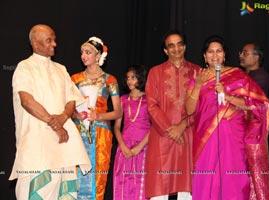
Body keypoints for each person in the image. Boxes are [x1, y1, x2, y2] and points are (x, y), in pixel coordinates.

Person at [186, 35, 269, 200]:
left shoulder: (238, 76)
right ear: (204, 56)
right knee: (207, 181)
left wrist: (228, 97)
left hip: (234, 137)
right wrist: (198, 85)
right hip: (207, 138)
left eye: (218, 51)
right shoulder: (197, 78)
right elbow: (189, 109)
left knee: (233, 180)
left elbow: (256, 106)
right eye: (210, 52)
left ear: (224, 54)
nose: (215, 55)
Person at [9, 24, 91, 200]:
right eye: (49, 40)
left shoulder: (61, 69)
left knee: (66, 192)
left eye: (54, 39)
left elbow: (71, 99)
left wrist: (62, 118)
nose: (54, 44)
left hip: (64, 142)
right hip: (37, 144)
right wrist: (54, 123)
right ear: (35, 43)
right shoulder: (25, 67)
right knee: (35, 191)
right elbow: (27, 101)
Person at [145, 30, 200, 200]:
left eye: (179, 44)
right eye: (171, 45)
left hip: (188, 134)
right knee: (159, 186)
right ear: (165, 51)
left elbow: (202, 106)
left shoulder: (197, 71)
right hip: (162, 135)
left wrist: (182, 126)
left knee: (187, 188)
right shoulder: (155, 72)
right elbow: (152, 105)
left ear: (185, 46)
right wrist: (170, 129)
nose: (176, 48)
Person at [71, 36, 122, 199]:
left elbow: (118, 112)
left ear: (98, 55)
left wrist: (98, 115)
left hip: (101, 134)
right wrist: (75, 114)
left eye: (88, 52)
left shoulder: (110, 80)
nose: (83, 56)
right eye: (82, 53)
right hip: (78, 132)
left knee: (98, 178)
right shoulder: (75, 79)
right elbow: (68, 108)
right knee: (76, 176)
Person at [113, 65, 150, 200]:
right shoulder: (122, 100)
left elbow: (155, 127)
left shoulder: (149, 100)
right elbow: (117, 126)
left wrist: (139, 147)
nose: (129, 81)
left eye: (133, 77)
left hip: (143, 147)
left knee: (141, 183)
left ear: (140, 78)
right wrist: (122, 145)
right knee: (122, 184)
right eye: (128, 78)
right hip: (124, 147)